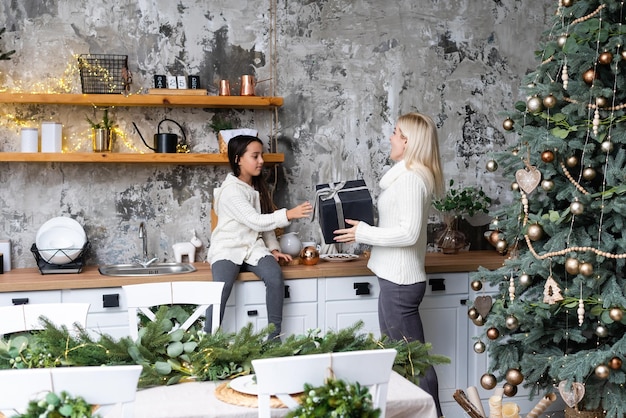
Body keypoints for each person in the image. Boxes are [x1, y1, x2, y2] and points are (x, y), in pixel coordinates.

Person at [333, 112, 444, 416]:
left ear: (408, 142)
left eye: (396, 132)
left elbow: (408, 233)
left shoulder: (411, 178)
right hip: (394, 280)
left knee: (414, 362)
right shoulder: (406, 175)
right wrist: (363, 228)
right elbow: (400, 223)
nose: (390, 137)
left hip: (400, 284)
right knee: (400, 360)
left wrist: (363, 233)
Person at [207, 135, 313, 340]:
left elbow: (264, 225)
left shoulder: (255, 188)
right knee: (220, 289)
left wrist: (273, 249)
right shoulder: (230, 191)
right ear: (238, 159)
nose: (261, 161)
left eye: (261, 155)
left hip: (253, 247)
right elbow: (255, 221)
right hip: (229, 247)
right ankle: (208, 341)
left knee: (274, 277)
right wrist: (288, 214)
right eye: (255, 156)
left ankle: (274, 337)